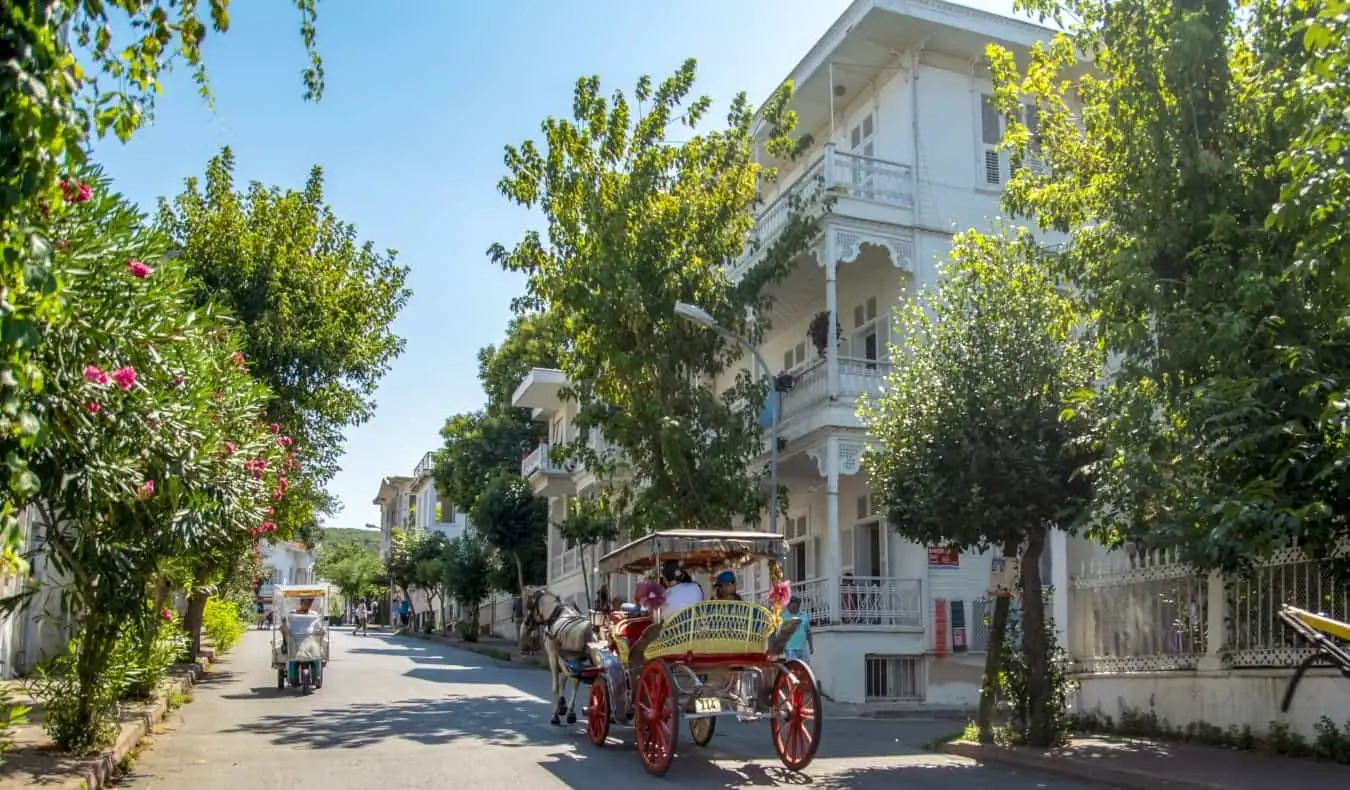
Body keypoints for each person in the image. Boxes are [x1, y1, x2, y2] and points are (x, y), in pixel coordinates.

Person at [783, 597, 813, 663]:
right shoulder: (784, 617)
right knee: (793, 669)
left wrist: (811, 646)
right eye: (788, 606)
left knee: (806, 668)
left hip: (803, 649)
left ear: (798, 606)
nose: (789, 608)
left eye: (793, 606)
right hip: (790, 649)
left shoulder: (804, 615)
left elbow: (808, 632)